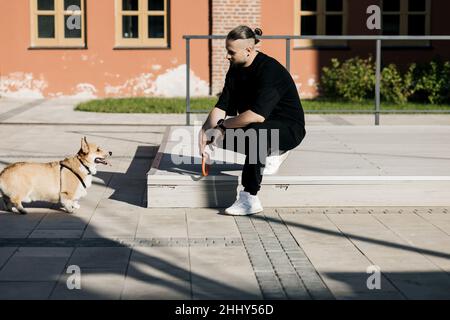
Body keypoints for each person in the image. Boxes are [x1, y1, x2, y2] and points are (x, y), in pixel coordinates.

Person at [199, 25, 306, 215]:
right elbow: (223, 105)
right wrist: (206, 130)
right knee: (217, 135)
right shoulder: (235, 70)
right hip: (261, 125)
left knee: (257, 133)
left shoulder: (271, 71)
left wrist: (223, 126)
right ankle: (271, 151)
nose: (227, 56)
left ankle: (250, 198)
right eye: (227, 51)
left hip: (288, 128)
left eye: (231, 52)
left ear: (248, 50)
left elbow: (256, 115)